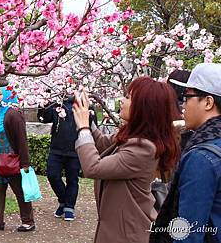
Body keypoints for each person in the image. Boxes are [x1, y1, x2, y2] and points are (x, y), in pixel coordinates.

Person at [72, 77, 180, 243]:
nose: (122, 101)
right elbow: (103, 144)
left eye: (128, 97)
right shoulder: (134, 136)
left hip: (127, 234)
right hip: (120, 230)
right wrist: (90, 120)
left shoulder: (143, 147)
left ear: (144, 107)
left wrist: (84, 128)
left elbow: (93, 167)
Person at [166, 63, 221, 242]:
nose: (183, 104)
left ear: (208, 102)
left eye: (187, 97)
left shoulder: (201, 159)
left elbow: (188, 233)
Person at [0, 86, 35, 232]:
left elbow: (22, 139)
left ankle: (28, 221)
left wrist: (25, 163)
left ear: (8, 96)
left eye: (0, 94)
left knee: (20, 192)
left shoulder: (14, 114)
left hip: (12, 162)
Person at [38, 94, 95, 221]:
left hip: (75, 150)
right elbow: (43, 118)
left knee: (72, 180)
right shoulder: (57, 105)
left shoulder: (85, 107)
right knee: (52, 176)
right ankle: (63, 201)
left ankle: (69, 207)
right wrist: (43, 105)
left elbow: (91, 125)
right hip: (56, 150)